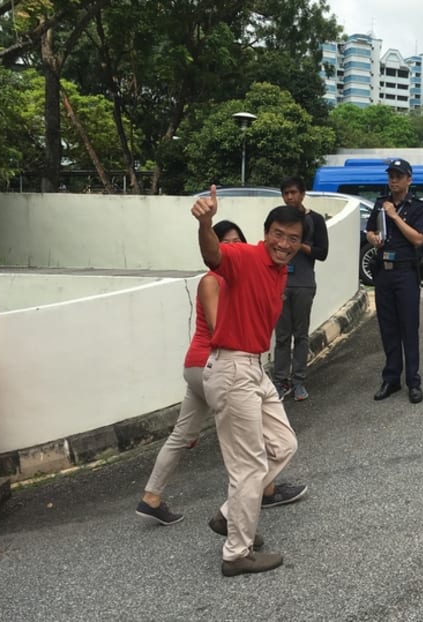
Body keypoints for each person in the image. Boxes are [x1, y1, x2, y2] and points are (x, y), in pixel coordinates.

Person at [135, 220, 306, 529]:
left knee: (183, 436)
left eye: (237, 242)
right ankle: (256, 496)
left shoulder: (247, 273)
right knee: (246, 442)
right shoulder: (214, 280)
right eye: (226, 243)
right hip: (212, 363)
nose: (233, 248)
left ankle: (151, 498)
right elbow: (221, 330)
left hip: (198, 367)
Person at [191, 187, 307, 577]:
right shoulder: (244, 256)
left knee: (284, 444)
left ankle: (229, 515)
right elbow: (213, 255)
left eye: (293, 238)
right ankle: (236, 553)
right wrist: (206, 223)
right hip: (232, 367)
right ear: (266, 233)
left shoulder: (280, 270)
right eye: (278, 234)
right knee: (249, 466)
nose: (285, 243)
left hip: (255, 368)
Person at [364, 158, 423, 405]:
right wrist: (373, 238)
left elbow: (418, 239)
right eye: (391, 176)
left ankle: (413, 380)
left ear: (409, 179)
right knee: (388, 327)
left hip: (405, 273)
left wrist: (394, 217)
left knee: (408, 327)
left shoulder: (418, 207)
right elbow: (370, 231)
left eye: (398, 176)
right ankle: (391, 378)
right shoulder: (381, 203)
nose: (393, 180)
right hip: (384, 273)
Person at [273, 177, 329, 402]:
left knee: (301, 335)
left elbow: (322, 252)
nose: (290, 197)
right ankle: (280, 381)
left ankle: (298, 382)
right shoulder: (278, 219)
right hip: (281, 283)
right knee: (282, 335)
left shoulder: (314, 219)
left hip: (304, 283)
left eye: (294, 192)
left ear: (303, 193)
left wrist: (300, 245)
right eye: (286, 193)